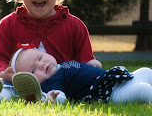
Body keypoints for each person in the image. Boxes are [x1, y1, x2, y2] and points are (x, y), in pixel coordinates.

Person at [11, 46, 152, 104]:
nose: (41, 65)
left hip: (113, 80)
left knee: (146, 71)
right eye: (33, 71)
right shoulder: (52, 81)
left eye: (40, 58)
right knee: (142, 90)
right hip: (110, 93)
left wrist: (90, 65)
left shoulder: (60, 66)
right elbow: (59, 96)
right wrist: (54, 97)